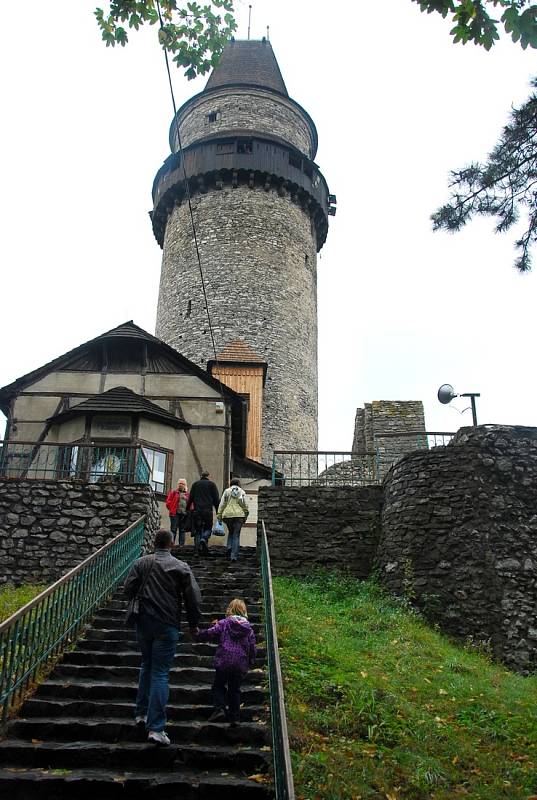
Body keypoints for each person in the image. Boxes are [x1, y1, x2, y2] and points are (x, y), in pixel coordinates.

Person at [124, 529, 201, 746]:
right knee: (160, 673)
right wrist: (194, 624)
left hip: (144, 622)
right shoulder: (180, 567)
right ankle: (156, 728)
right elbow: (193, 598)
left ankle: (141, 713)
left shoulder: (141, 563)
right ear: (172, 544)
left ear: (154, 544)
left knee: (146, 665)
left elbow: (127, 589)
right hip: (167, 623)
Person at [196, 598, 256, 724]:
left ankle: (220, 709)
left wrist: (199, 634)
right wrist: (250, 661)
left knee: (218, 686)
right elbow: (252, 647)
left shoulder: (224, 623)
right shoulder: (248, 629)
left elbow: (211, 633)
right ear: (244, 611)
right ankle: (234, 717)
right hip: (240, 663)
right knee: (235, 690)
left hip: (224, 660)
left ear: (230, 609)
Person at [187, 471, 220, 555]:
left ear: (201, 476)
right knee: (208, 528)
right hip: (208, 511)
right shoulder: (212, 485)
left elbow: (190, 498)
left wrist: (187, 509)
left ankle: (196, 551)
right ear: (209, 476)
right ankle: (204, 539)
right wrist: (218, 511)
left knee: (198, 531)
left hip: (197, 511)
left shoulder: (195, 484)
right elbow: (216, 500)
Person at [216, 478, 249, 562]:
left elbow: (222, 503)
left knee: (231, 532)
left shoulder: (227, 491)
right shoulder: (241, 492)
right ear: (239, 484)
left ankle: (229, 547)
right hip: (239, 516)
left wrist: (219, 515)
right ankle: (233, 555)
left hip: (228, 515)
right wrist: (246, 514)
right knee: (236, 535)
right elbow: (244, 504)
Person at [165, 478, 190, 546]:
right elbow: (168, 502)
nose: (181, 485)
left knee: (182, 530)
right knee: (173, 529)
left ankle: (181, 545)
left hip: (184, 514)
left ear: (185, 485)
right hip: (174, 514)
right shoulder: (174, 492)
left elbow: (190, 504)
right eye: (180, 483)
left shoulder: (187, 494)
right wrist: (171, 509)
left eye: (183, 484)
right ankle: (171, 544)